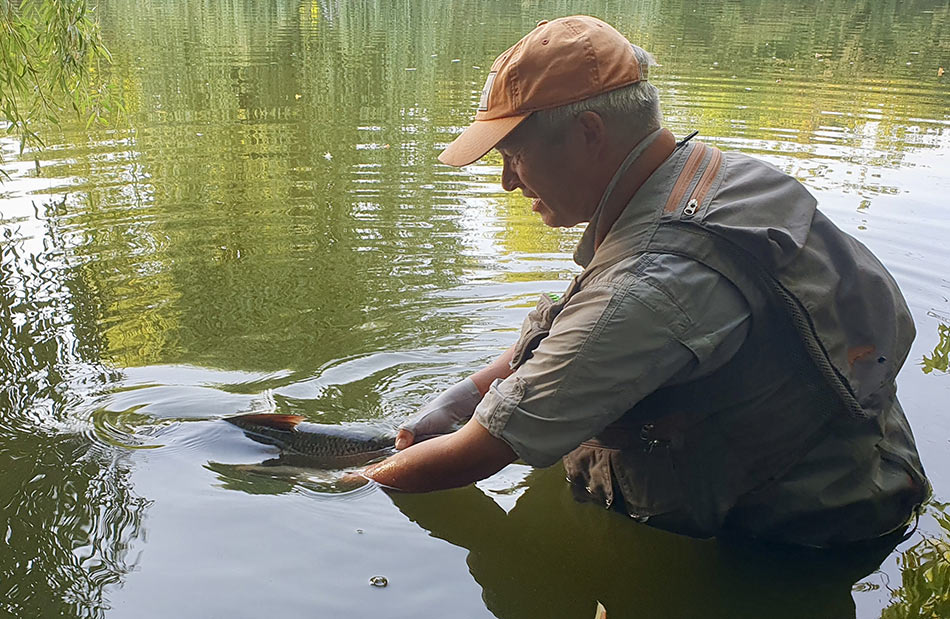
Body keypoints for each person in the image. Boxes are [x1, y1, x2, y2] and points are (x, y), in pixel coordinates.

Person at [362, 15, 930, 547]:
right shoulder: (712, 180)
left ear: (589, 132)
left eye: (514, 155)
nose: (508, 182)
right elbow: (570, 331)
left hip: (794, 541)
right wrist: (458, 397)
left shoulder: (650, 286)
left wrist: (351, 477)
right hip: (868, 471)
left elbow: (477, 455)